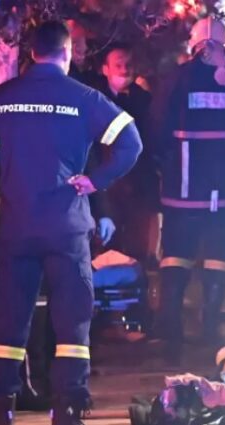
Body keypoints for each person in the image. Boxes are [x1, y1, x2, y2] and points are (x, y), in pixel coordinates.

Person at [0, 20, 142, 425]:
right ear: (66, 54)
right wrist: (95, 180)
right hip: (67, 228)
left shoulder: (0, 100)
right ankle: (67, 414)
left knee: (10, 320)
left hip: (16, 228)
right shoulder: (84, 98)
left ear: (32, 53)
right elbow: (131, 143)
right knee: (72, 321)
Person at [152, 17, 225, 364]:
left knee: (176, 251)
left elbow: (158, 126)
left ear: (194, 43)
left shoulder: (177, 78)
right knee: (220, 252)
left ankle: (170, 327)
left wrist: (164, 163)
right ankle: (209, 324)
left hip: (183, 184)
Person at [84, 43, 159, 266]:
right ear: (105, 69)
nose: (125, 70)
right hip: (106, 185)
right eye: (118, 65)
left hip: (138, 183)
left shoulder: (144, 100)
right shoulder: (95, 101)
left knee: (138, 246)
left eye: (128, 64)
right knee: (106, 247)